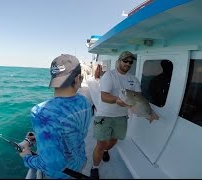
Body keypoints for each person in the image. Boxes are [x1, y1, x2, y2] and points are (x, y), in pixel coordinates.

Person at [19, 54, 92, 179]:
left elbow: (51, 164)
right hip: (79, 162)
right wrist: (42, 137)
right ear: (78, 78)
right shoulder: (84, 102)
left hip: (60, 175)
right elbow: (71, 132)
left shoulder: (40, 112)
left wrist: (27, 157)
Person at [90, 51, 158, 179]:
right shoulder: (109, 76)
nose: (128, 64)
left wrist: (144, 111)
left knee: (114, 140)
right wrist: (117, 100)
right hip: (104, 115)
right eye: (125, 61)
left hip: (121, 117)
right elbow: (104, 96)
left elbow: (138, 98)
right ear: (119, 61)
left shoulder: (133, 79)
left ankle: (106, 151)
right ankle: (95, 167)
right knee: (100, 144)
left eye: (130, 62)